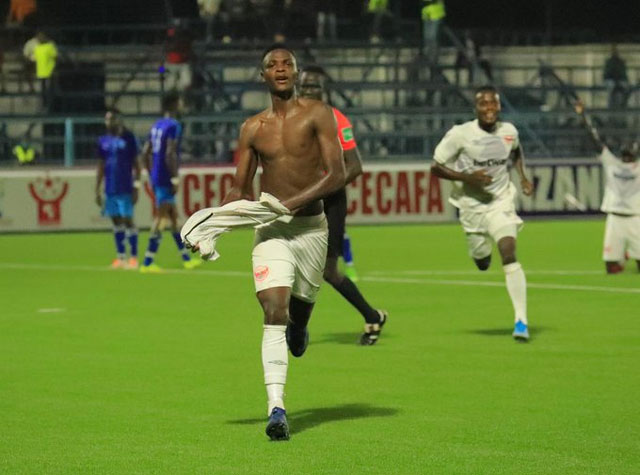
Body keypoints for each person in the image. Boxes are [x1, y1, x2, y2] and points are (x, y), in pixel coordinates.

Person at [221, 44, 345, 440]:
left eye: (286, 64)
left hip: (311, 230)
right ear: (263, 76)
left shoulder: (318, 114)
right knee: (274, 308)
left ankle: (301, 326)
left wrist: (290, 202)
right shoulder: (252, 128)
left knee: (300, 312)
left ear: (295, 72)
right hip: (272, 230)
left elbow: (337, 174)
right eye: (272, 65)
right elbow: (240, 189)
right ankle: (276, 408)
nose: (280, 69)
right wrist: (212, 223)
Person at [430, 85, 534, 341]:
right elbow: (436, 167)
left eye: (493, 104)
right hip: (471, 207)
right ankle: (480, 253)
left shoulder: (509, 131)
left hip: (501, 202)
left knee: (508, 252)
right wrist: (468, 178)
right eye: (483, 104)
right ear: (476, 108)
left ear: (499, 106)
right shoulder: (460, 134)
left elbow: (516, 150)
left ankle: (521, 321)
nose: (489, 109)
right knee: (483, 262)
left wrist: (522, 176)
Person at [298, 64, 387, 345]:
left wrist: (324, 189)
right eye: (305, 85)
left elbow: (355, 165)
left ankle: (371, 316)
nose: (309, 90)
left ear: (325, 91)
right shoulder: (290, 119)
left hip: (330, 201)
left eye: (315, 86)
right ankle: (294, 327)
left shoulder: (337, 120)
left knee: (329, 271)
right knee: (291, 262)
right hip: (300, 200)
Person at [574, 100, 640, 273]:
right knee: (612, 268)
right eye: (625, 156)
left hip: (635, 218)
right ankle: (623, 256)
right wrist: (583, 116)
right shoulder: (612, 163)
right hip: (615, 218)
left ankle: (628, 254)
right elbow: (594, 139)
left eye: (629, 156)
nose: (627, 159)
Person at [139, 91, 201, 273]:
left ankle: (186, 259)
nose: (181, 106)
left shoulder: (156, 125)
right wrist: (174, 177)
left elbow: (145, 152)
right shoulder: (174, 125)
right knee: (161, 218)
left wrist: (151, 173)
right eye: (179, 102)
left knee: (173, 218)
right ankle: (148, 262)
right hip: (166, 176)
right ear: (174, 104)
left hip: (157, 175)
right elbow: (170, 153)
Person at [95, 108, 141, 269]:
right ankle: (121, 257)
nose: (109, 122)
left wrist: (136, 186)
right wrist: (97, 189)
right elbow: (101, 166)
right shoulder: (103, 140)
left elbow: (137, 165)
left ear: (118, 120)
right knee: (115, 220)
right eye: (107, 119)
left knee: (128, 220)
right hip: (110, 187)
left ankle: (133, 257)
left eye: (112, 119)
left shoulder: (129, 138)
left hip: (126, 186)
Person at [32, 31, 57, 110]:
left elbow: (55, 57)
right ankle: (46, 105)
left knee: (47, 90)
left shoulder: (47, 47)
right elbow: (55, 56)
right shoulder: (40, 48)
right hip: (44, 73)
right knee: (45, 91)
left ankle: (48, 105)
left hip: (47, 72)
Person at [603, 44, 629, 109]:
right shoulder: (608, 62)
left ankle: (623, 104)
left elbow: (623, 74)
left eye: (616, 52)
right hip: (610, 80)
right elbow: (606, 74)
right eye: (613, 52)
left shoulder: (621, 62)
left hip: (620, 80)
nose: (615, 53)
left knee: (625, 88)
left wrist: (619, 80)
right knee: (612, 87)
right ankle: (612, 106)